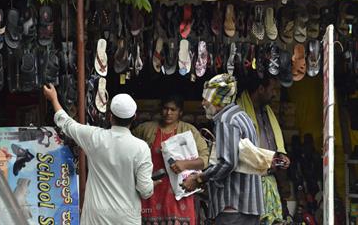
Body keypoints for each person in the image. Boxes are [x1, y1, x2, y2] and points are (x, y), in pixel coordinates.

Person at [43, 84, 157, 225]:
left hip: (96, 217)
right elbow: (145, 191)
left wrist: (53, 98)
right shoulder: (141, 148)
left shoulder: (95, 137)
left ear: (110, 116)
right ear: (134, 117)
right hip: (126, 218)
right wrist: (152, 184)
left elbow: (66, 124)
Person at [182, 74, 268, 225]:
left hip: (233, 206)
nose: (202, 103)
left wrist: (200, 178)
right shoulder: (242, 116)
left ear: (217, 100)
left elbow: (228, 162)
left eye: (206, 99)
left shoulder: (226, 120)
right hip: (249, 204)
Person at [133, 94, 209, 225]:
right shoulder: (146, 129)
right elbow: (128, 147)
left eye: (173, 110)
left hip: (179, 191)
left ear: (180, 112)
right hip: (152, 190)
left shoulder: (189, 131)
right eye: (165, 108)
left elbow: (205, 159)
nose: (168, 113)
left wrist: (185, 164)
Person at [236, 73, 290, 224]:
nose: (274, 94)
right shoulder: (239, 113)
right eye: (272, 90)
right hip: (249, 182)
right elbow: (241, 151)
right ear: (260, 89)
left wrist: (281, 156)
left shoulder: (266, 112)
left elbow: (273, 145)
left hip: (268, 180)